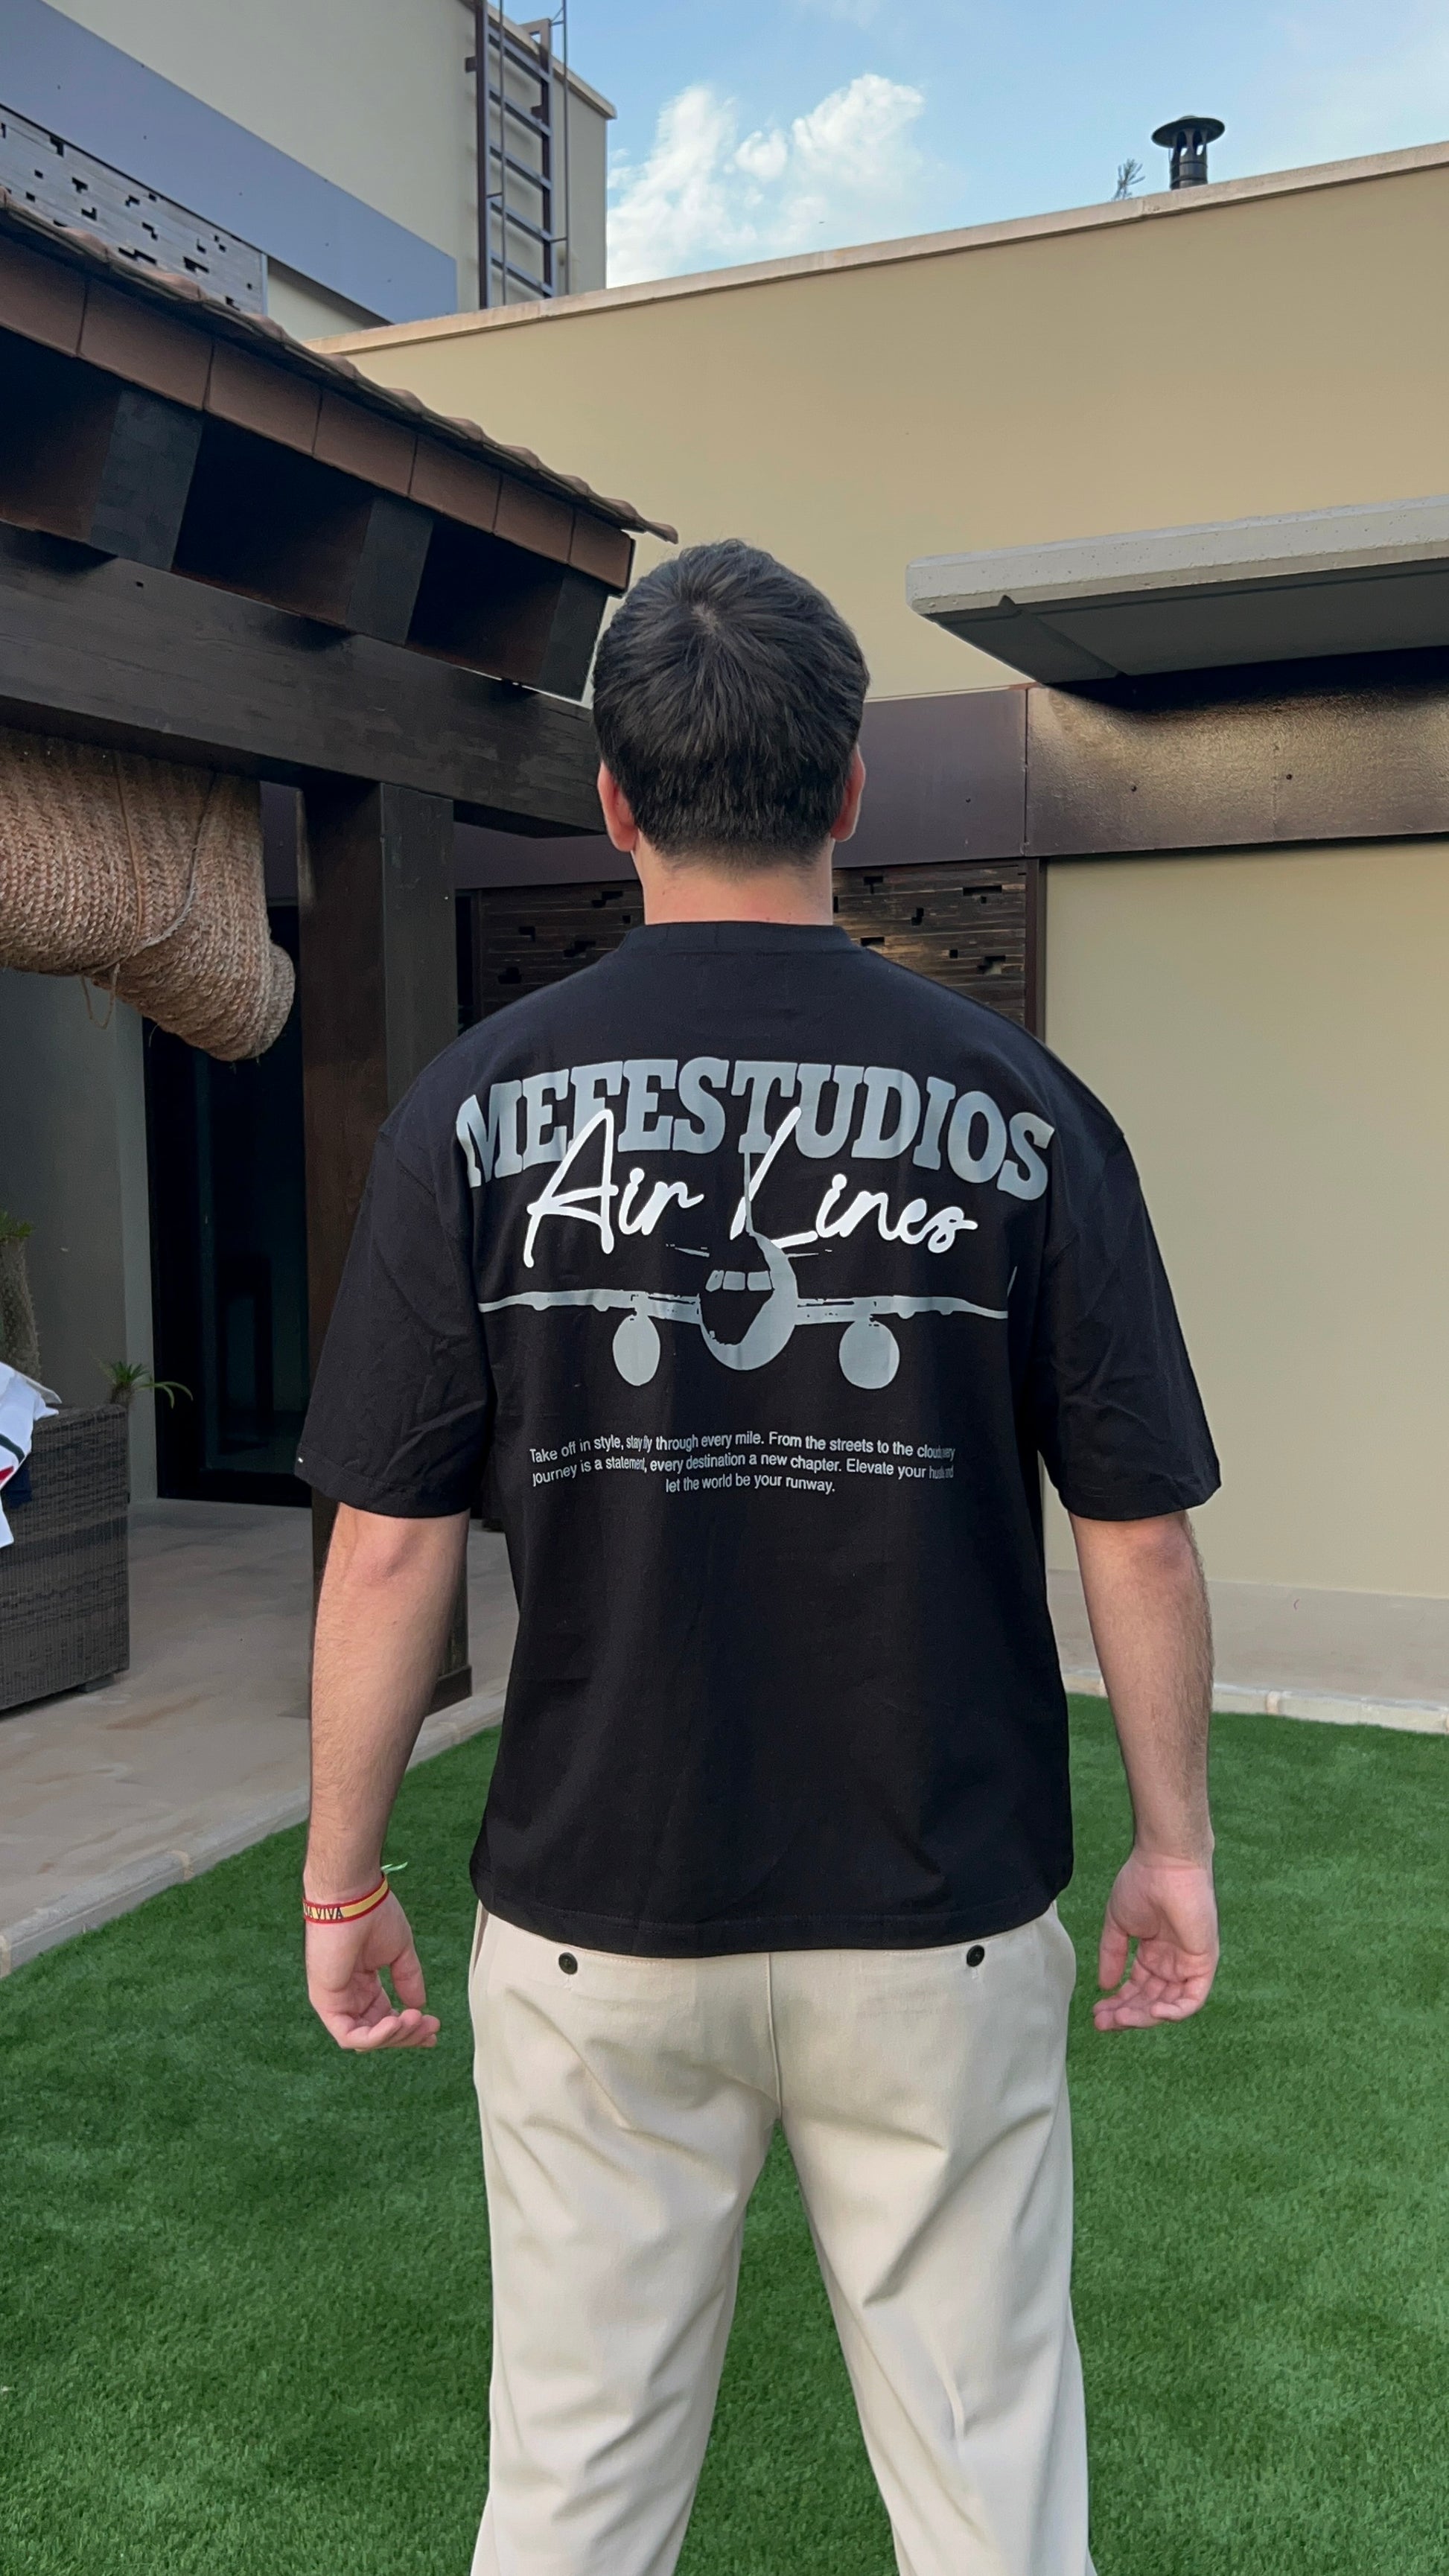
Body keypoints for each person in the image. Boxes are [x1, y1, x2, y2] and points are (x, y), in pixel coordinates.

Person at [297, 539, 1220, 2576]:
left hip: (597, 1916)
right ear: (851, 787)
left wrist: (342, 1877)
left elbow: (383, 1551)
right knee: (995, 2501)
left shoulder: (469, 1112)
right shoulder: (1023, 1100)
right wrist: (1175, 1845)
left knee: (572, 2499)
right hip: (938, 1909)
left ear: (613, 801)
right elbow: (1136, 1527)